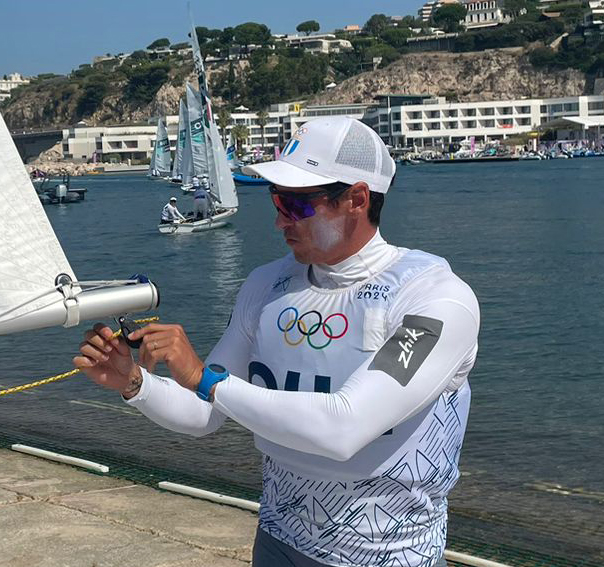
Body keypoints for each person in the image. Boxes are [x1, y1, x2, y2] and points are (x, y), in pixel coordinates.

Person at [75, 116, 479, 567]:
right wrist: (134, 383)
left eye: (297, 205)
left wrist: (203, 379)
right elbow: (204, 413)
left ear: (357, 200)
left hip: (389, 555)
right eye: (276, 200)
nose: (279, 220)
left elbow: (344, 429)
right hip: (278, 542)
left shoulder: (436, 299)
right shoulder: (267, 285)